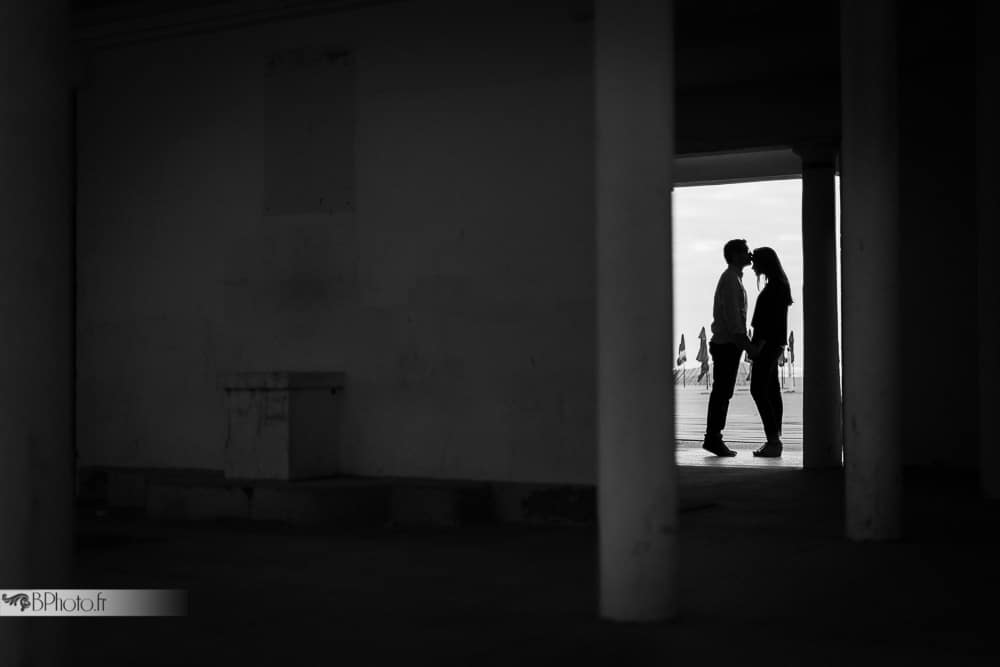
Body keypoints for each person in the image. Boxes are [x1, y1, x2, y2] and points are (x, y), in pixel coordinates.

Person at [702, 239, 753, 456]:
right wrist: (747, 344)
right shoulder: (731, 280)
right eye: (745, 251)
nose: (750, 254)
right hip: (727, 345)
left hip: (727, 344)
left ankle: (714, 437)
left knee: (722, 392)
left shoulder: (734, 279)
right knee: (722, 392)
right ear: (735, 255)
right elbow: (734, 319)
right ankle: (713, 437)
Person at [747, 246, 793, 457]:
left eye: (755, 261)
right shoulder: (780, 285)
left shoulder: (774, 288)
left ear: (764, 263)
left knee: (758, 389)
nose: (752, 265)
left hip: (767, 345)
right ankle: (775, 439)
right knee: (771, 390)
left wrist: (757, 346)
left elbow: (767, 323)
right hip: (774, 345)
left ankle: (773, 440)